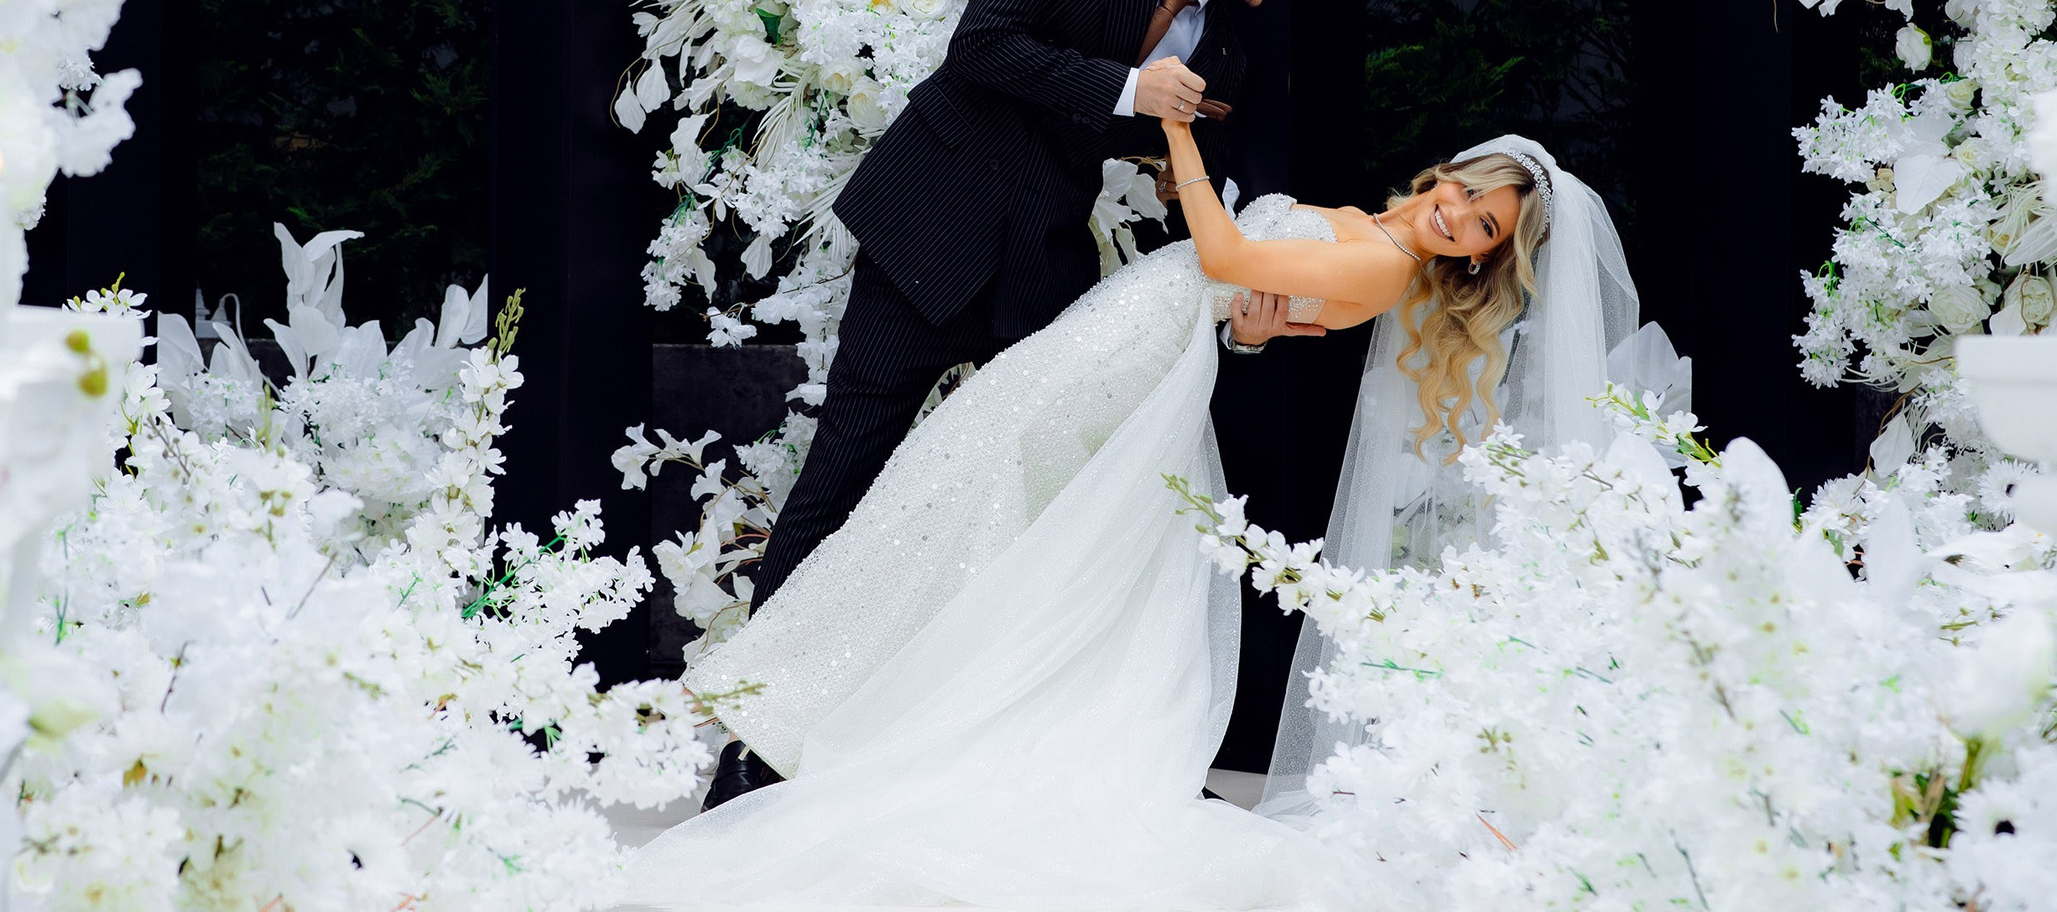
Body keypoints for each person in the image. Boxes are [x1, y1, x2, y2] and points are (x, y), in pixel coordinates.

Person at [615, 131, 1642, 911]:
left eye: (1481, 228)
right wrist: (1241, 313)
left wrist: (1183, 138)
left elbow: (1228, 250)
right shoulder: (1367, 231)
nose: (1455, 215)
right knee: (959, 502)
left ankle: (811, 707)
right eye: (1466, 192)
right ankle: (822, 706)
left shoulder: (1382, 269)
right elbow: (1246, 307)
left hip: (1124, 358)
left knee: (952, 488)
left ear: (1479, 260)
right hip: (1122, 337)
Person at [698, 0, 1346, 809]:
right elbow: (983, 46)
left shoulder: (1226, 49)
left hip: (1039, 270)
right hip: (926, 233)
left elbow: (1199, 179)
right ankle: (752, 749)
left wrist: (1204, 215)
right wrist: (1129, 88)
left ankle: (1001, 735)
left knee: (1044, 497)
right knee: (844, 474)